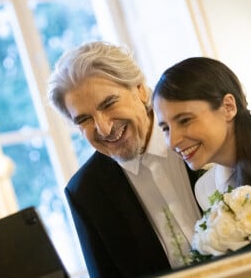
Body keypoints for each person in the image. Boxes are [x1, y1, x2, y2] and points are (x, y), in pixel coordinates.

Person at [47, 41, 201, 278]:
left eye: (109, 103)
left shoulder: (200, 131)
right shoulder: (85, 192)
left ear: (140, 90)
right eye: (84, 119)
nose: (104, 128)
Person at [152, 56, 251, 211]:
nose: (173, 141)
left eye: (184, 120)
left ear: (228, 107)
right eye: (166, 128)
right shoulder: (205, 190)